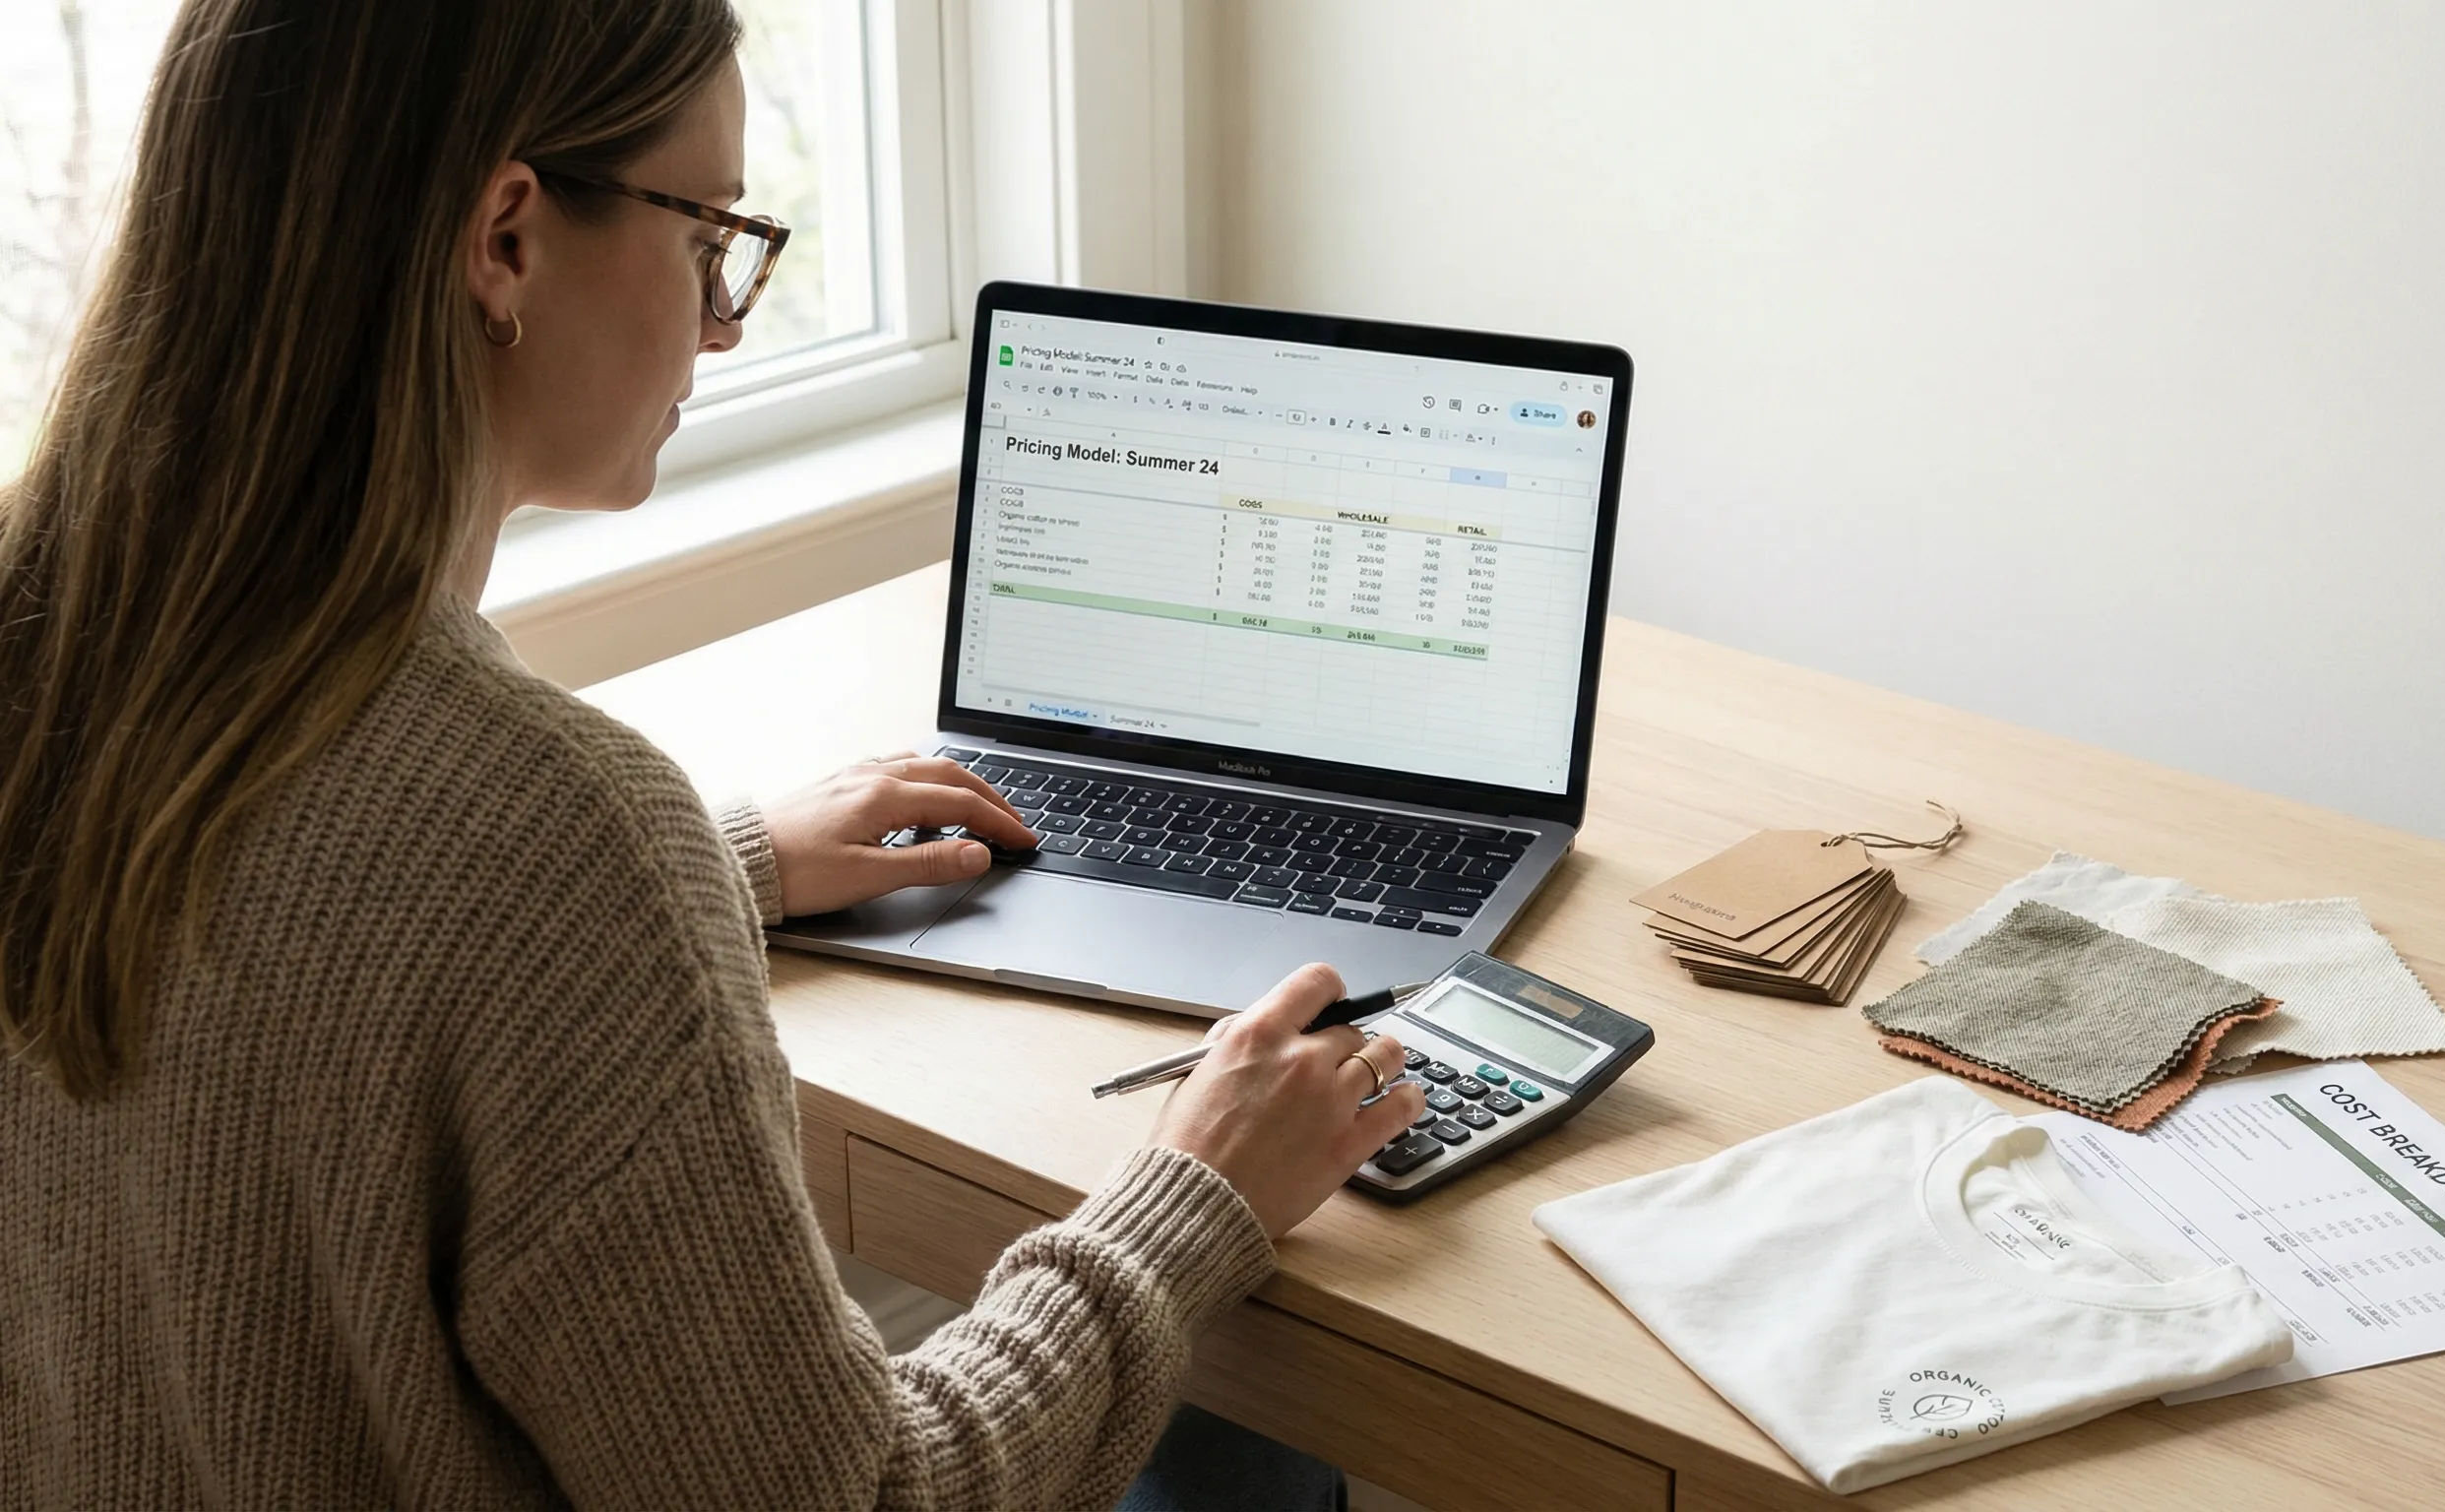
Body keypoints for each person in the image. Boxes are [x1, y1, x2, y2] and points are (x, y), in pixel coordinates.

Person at [0, 2, 1426, 1507]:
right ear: (504, 241)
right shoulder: (556, 837)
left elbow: (311, 961)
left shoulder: (60, 647)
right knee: (1245, 1465)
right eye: (707, 241)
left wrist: (723, 873)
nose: (727, 323)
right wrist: (1189, 1197)